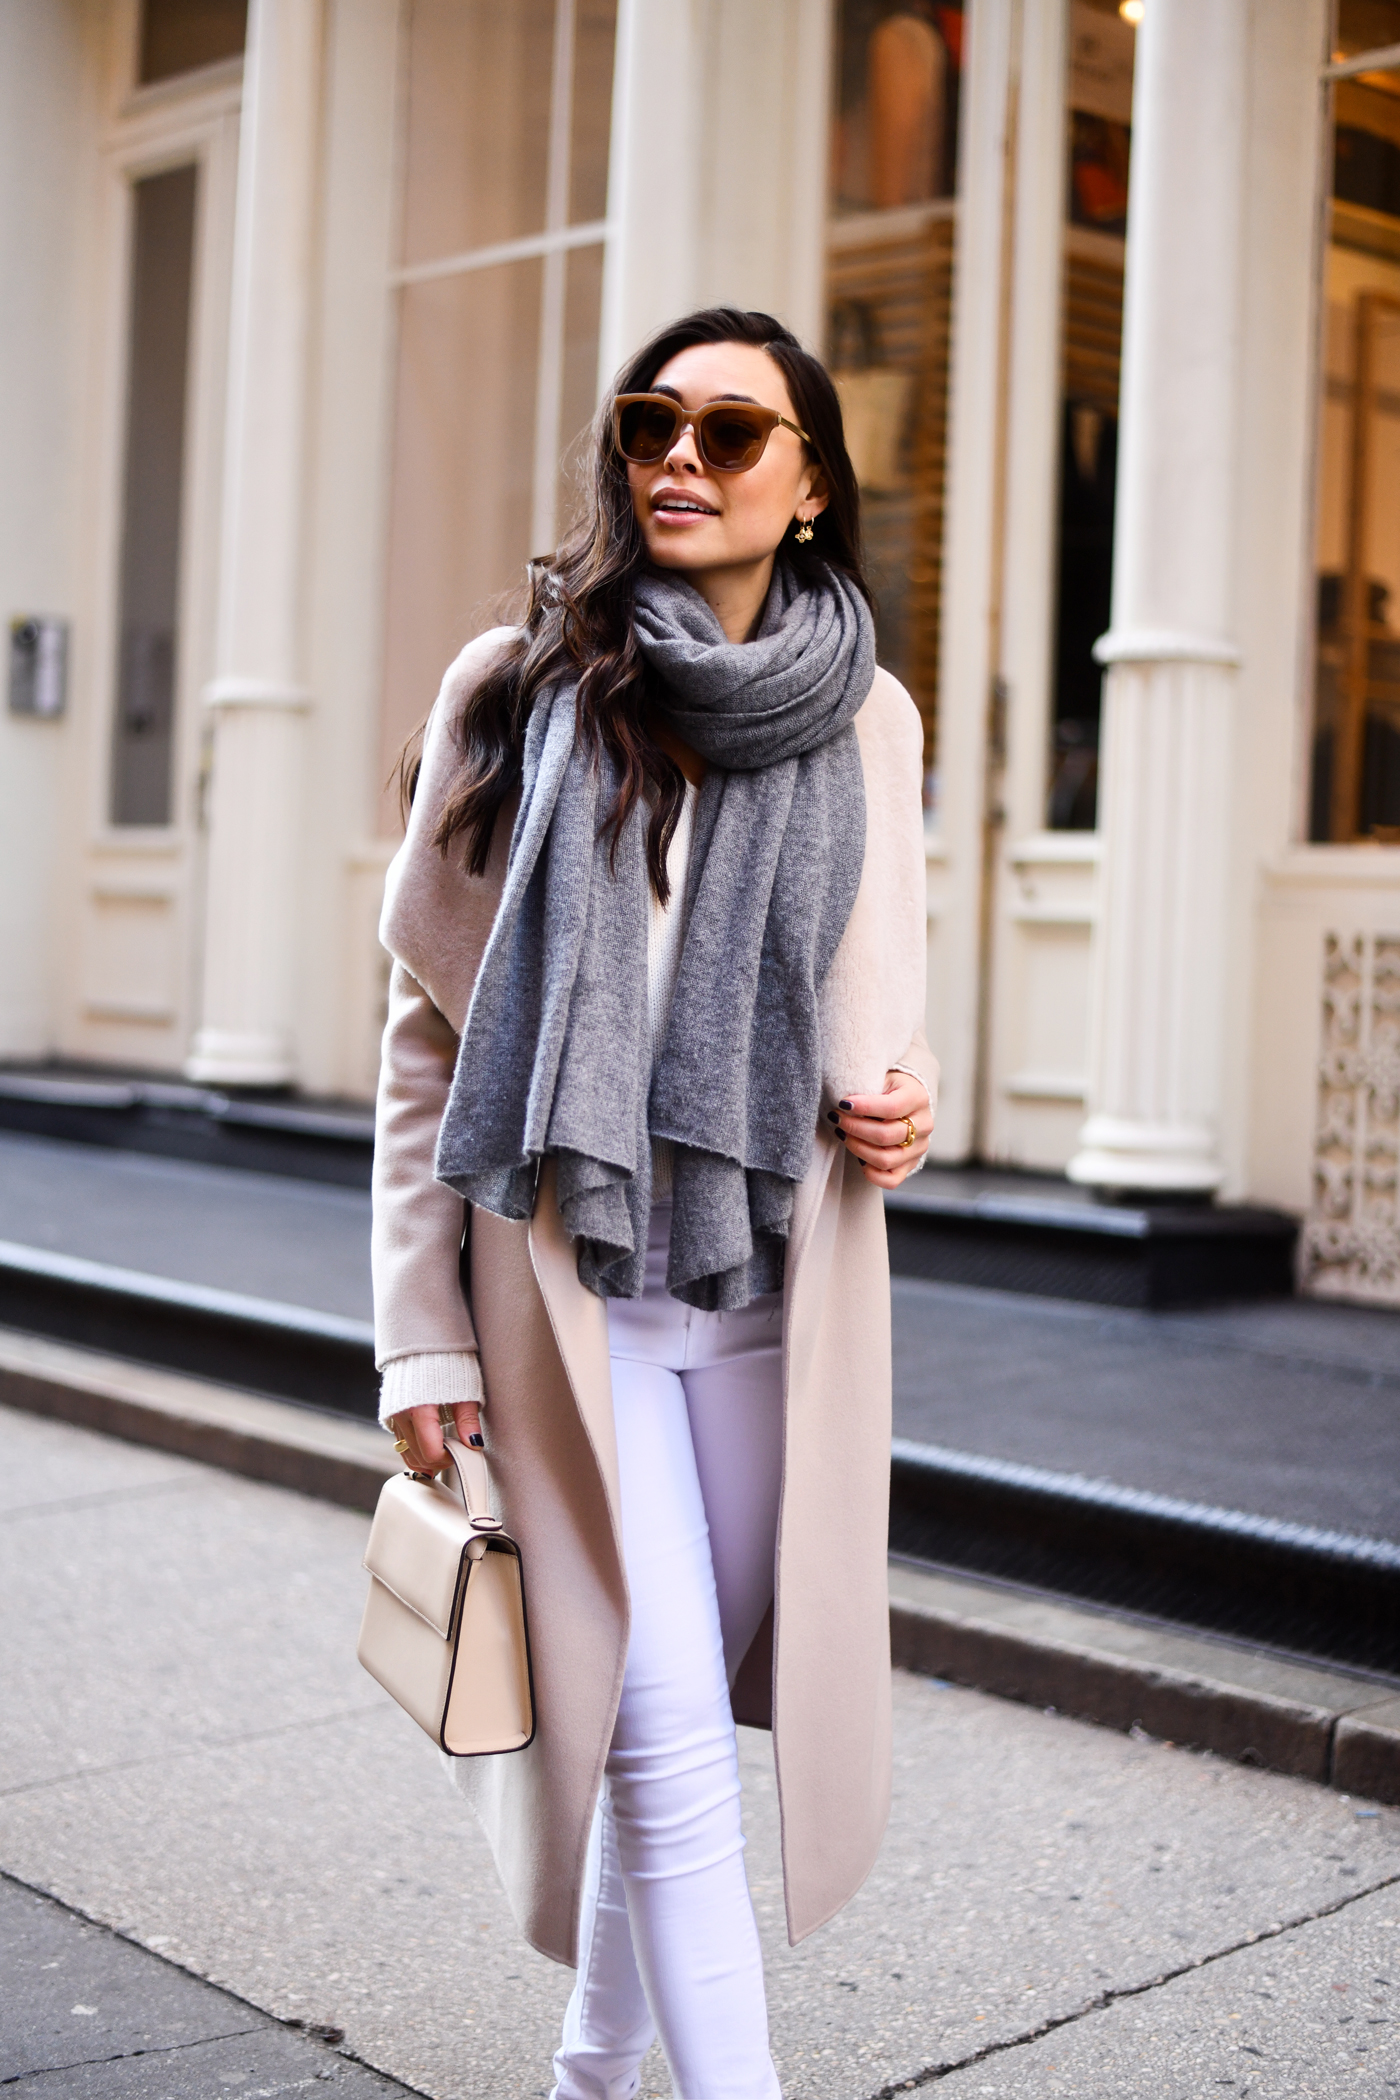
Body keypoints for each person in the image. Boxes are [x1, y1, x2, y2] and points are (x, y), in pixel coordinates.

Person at [372, 306, 937, 2100]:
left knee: (656, 1718)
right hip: (575, 1302)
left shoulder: (872, 721)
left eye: (732, 430)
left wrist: (911, 1106)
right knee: (671, 1736)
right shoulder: (520, 687)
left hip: (775, 1299)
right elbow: (426, 1044)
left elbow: (880, 1009)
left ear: (811, 484)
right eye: (650, 422)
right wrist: (417, 1335)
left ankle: (589, 2075)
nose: (681, 456)